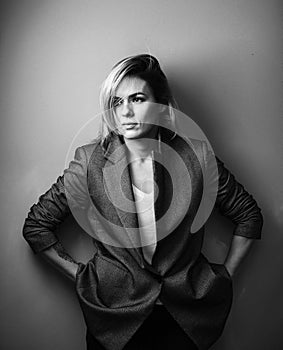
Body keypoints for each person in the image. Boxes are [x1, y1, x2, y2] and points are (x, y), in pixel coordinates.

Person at [23, 54, 263, 350]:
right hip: (114, 319)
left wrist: (225, 276)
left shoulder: (197, 157)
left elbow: (249, 217)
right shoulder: (89, 162)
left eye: (136, 99)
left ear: (161, 105)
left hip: (185, 318)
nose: (125, 112)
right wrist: (83, 277)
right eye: (116, 102)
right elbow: (37, 227)